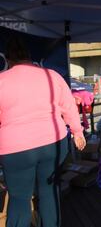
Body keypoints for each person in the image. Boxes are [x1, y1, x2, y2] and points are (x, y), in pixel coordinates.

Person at [0, 38, 86, 227]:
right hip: (52, 143)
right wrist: (78, 132)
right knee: (49, 193)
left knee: (20, 199)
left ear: (7, 59)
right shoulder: (51, 75)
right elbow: (68, 106)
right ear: (30, 57)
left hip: (15, 149)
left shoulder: (1, 80)